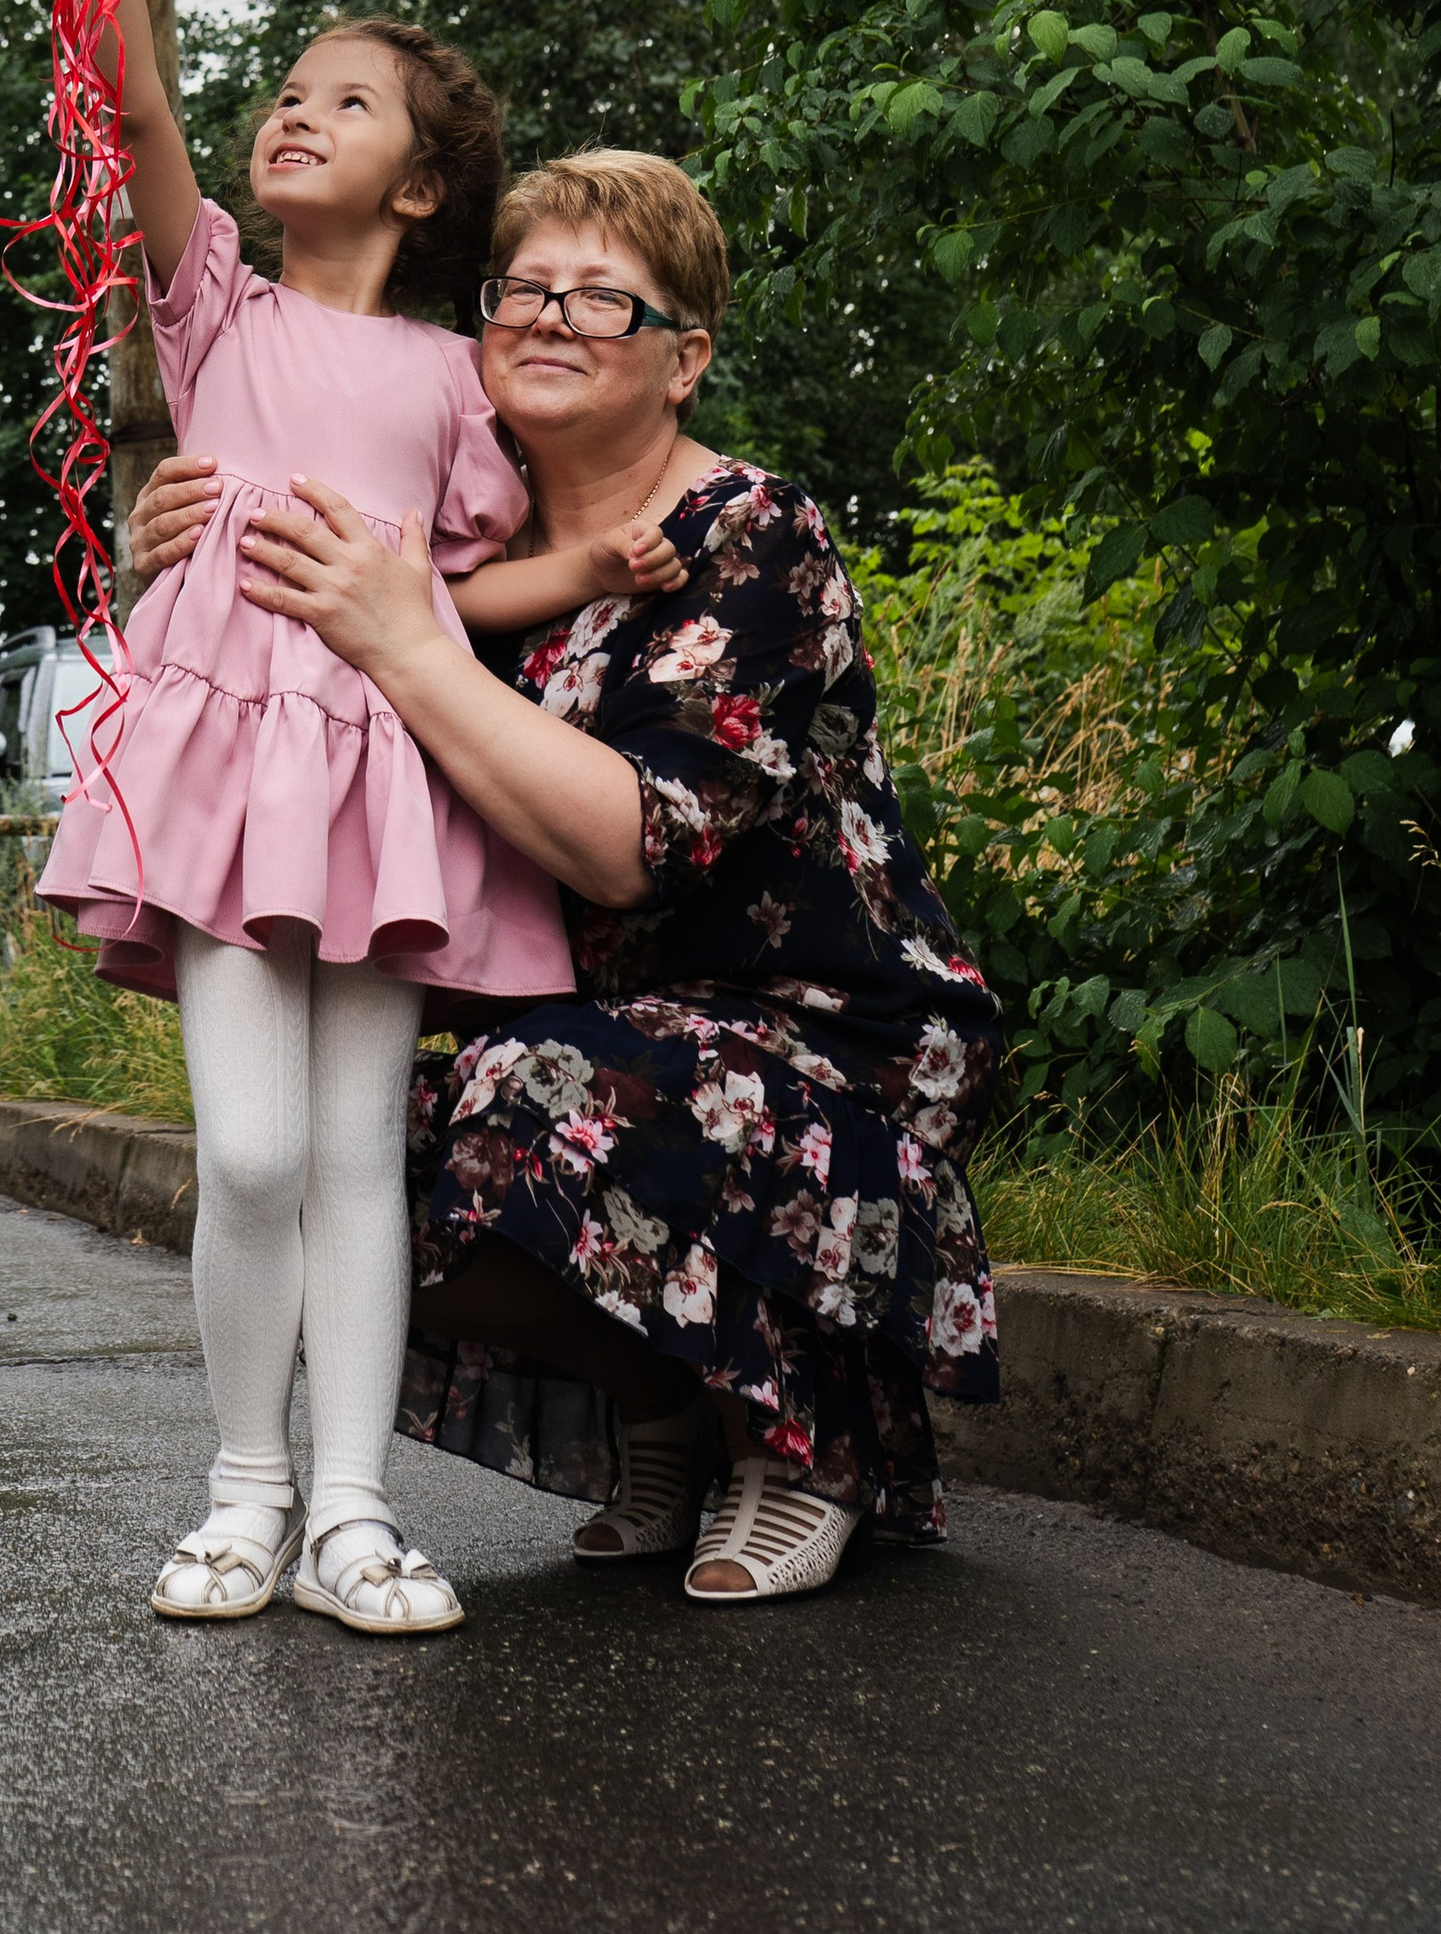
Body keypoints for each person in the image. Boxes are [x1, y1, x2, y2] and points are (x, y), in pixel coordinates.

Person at [129, 145, 1002, 1605]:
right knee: (338, 1155)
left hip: (811, 1032)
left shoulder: (748, 533)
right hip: (581, 1023)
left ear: (684, 360)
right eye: (523, 289)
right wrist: (182, 550)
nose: (548, 315)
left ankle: (797, 1441)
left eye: (602, 298)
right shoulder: (461, 551)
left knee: (526, 1098)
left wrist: (402, 640)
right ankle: (664, 1405)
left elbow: (629, 844)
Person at [36, 0, 682, 1638]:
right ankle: (241, 1487)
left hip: (383, 780)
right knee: (247, 1151)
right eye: (289, 91)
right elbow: (138, 117)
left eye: (347, 100)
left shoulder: (456, 378)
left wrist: (591, 566)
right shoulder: (217, 308)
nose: (296, 112)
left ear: (417, 188)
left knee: (348, 1157)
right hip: (224, 764)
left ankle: (349, 1513)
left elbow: (456, 593)